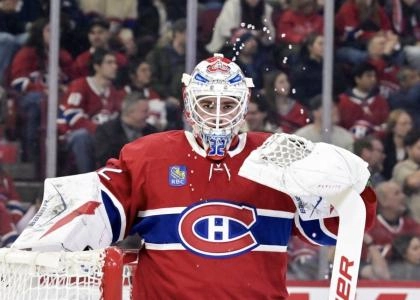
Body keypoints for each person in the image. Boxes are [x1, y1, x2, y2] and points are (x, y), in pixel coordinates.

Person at [13, 54, 377, 299]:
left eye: (228, 104)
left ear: (245, 104)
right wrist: (34, 248)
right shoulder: (150, 156)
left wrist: (343, 187)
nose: (217, 115)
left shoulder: (278, 156)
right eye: (207, 104)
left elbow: (337, 228)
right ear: (188, 104)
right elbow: (95, 208)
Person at [94, 92, 158, 167]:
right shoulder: (106, 132)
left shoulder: (152, 132)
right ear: (130, 112)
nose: (148, 115)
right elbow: (105, 161)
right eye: (145, 111)